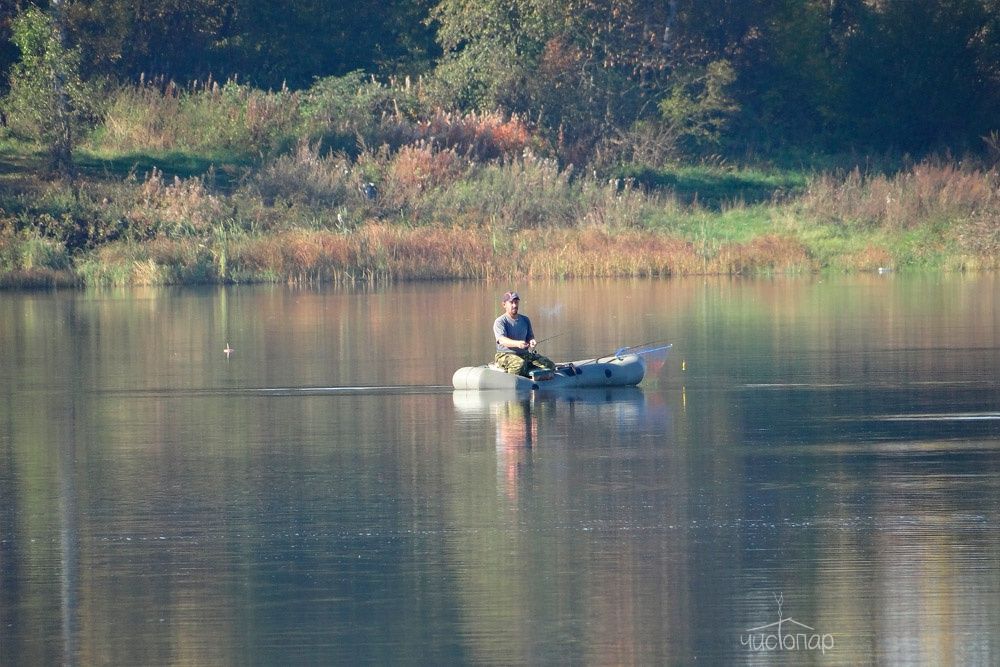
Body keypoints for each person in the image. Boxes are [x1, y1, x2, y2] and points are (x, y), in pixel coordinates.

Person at [493, 291, 555, 376]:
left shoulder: (525, 320)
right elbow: (502, 340)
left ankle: (530, 374)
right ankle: (511, 378)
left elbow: (530, 337)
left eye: (516, 302)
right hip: (505, 355)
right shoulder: (500, 321)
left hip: (524, 354)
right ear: (504, 305)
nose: (514, 305)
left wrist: (532, 341)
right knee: (519, 364)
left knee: (549, 365)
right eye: (511, 303)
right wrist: (518, 344)